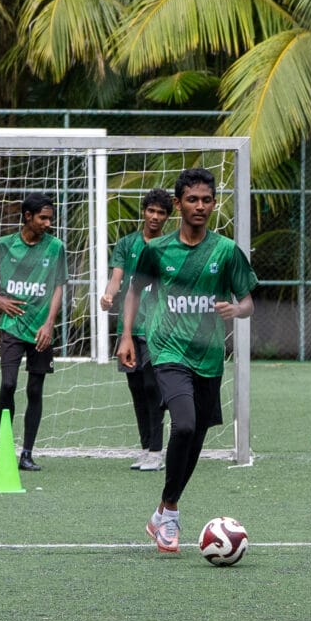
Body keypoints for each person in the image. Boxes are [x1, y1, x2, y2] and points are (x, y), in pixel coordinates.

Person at [118, 167, 256, 553]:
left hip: (209, 356)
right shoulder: (157, 250)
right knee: (183, 425)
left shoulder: (226, 251)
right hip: (167, 350)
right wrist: (127, 336)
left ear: (215, 203)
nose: (200, 206)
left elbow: (247, 300)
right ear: (178, 204)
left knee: (194, 437)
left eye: (207, 200)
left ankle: (161, 510)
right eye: (192, 200)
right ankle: (173, 512)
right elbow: (134, 291)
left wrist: (237, 309)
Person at [0, 194, 68, 471]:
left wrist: (49, 323)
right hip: (12, 328)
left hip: (40, 330)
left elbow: (58, 286)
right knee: (8, 384)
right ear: (27, 216)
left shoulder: (55, 247)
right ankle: (5, 446)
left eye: (50, 218)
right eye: (43, 217)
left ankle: (27, 453)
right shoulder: (4, 246)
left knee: (35, 390)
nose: (48, 223)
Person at [102, 189, 175, 471]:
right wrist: (108, 296)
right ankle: (146, 448)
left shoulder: (170, 246)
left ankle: (157, 451)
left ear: (168, 217)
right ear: (143, 211)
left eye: (161, 213)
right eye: (151, 211)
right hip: (129, 329)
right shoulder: (126, 244)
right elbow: (116, 278)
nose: (155, 217)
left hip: (159, 327)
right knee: (136, 389)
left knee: (152, 386)